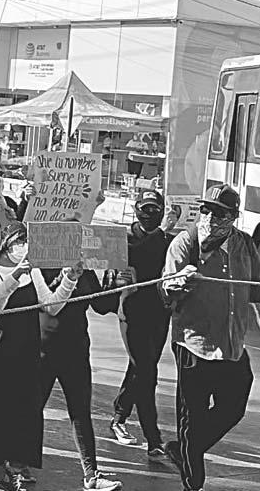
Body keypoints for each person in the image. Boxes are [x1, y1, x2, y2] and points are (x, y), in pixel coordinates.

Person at [161, 184, 260, 491]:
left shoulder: (244, 244)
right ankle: (193, 484)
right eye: (205, 209)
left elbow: (256, 287)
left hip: (231, 344)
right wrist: (178, 283)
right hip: (195, 344)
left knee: (234, 406)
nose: (208, 217)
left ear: (233, 217)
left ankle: (185, 448)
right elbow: (166, 292)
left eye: (218, 212)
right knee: (191, 417)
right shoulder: (185, 243)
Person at [0, 223, 78, 491]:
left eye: (27, 242)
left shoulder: (34, 271)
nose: (24, 247)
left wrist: (69, 279)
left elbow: (51, 306)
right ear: (6, 244)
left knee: (24, 414)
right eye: (19, 242)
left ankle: (17, 470)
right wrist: (15, 276)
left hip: (26, 354)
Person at [38, 266, 123, 491]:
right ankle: (16, 465)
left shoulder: (84, 271)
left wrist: (117, 285)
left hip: (76, 349)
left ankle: (91, 474)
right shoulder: (40, 266)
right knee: (32, 408)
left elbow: (102, 306)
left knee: (80, 411)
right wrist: (64, 277)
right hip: (43, 350)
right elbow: (47, 304)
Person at [106, 190, 171, 456]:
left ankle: (119, 417)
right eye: (146, 209)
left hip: (159, 314)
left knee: (141, 368)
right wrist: (118, 281)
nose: (150, 214)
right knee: (146, 371)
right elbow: (126, 263)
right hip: (131, 313)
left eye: (155, 209)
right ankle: (153, 437)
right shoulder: (124, 239)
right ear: (136, 209)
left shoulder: (168, 240)